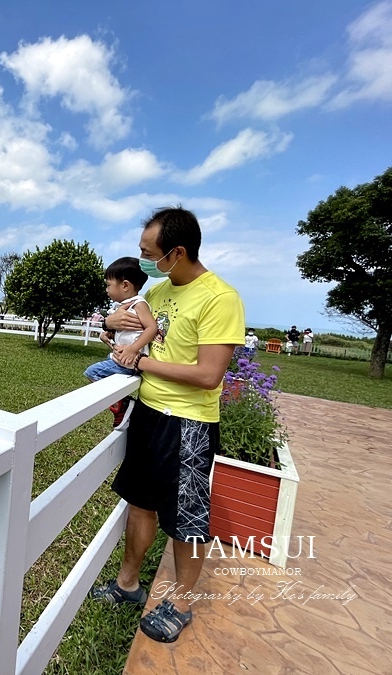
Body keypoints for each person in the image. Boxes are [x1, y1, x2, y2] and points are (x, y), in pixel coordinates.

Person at [90, 207, 244, 644]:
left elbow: (209, 374)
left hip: (189, 424)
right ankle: (128, 585)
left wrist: (141, 361)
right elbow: (129, 329)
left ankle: (179, 604)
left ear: (177, 252)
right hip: (149, 413)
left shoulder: (219, 298)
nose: (141, 260)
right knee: (140, 503)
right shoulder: (156, 292)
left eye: (147, 252)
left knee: (185, 519)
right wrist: (109, 325)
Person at [83, 258, 158, 429]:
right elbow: (127, 332)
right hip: (121, 358)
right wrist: (108, 335)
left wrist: (133, 349)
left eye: (109, 285)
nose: (107, 289)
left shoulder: (139, 304)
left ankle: (122, 405)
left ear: (125, 285)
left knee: (91, 373)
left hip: (129, 361)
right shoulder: (123, 306)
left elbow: (151, 328)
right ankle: (121, 405)